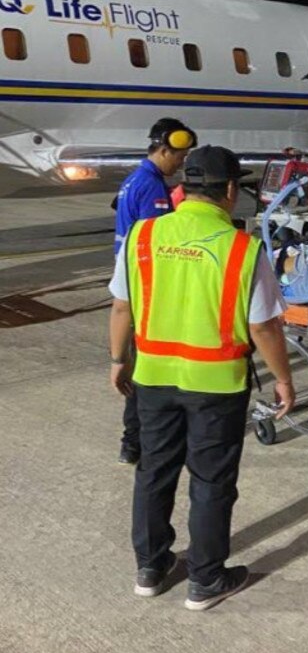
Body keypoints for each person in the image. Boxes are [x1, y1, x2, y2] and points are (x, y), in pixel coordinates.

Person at [109, 145, 295, 610]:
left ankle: (151, 568)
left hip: (153, 377)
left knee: (154, 471)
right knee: (211, 482)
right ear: (230, 191)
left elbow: (120, 306)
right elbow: (263, 326)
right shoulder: (243, 249)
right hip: (217, 383)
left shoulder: (143, 237)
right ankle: (206, 579)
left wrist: (118, 361)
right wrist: (285, 379)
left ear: (182, 189)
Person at [113, 117, 198, 465]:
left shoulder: (135, 179)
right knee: (147, 368)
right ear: (163, 150)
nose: (181, 162)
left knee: (143, 364)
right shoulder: (151, 187)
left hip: (129, 280)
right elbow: (159, 242)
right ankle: (135, 441)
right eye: (178, 155)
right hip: (146, 288)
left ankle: (135, 440)